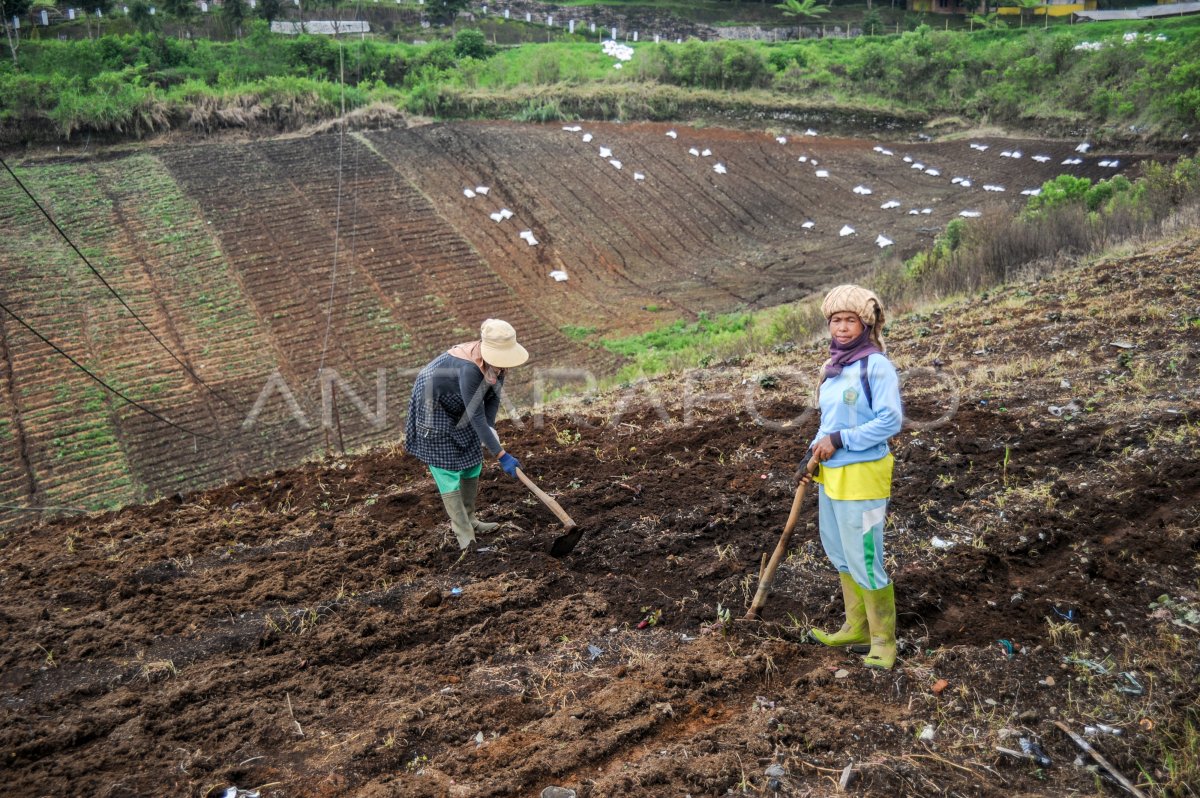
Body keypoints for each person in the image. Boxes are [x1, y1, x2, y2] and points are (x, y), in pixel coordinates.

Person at [802, 285, 903, 669]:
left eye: (850, 321)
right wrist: (810, 455)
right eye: (835, 321)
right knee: (840, 553)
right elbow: (828, 424)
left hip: (864, 474)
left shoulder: (875, 365)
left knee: (864, 555)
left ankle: (883, 641)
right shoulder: (833, 369)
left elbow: (890, 421)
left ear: (866, 324)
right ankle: (856, 628)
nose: (842, 328)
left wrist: (841, 440)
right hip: (833, 477)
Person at [405, 319, 528, 551]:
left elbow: (491, 401)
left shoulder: (498, 365)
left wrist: (490, 431)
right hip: (433, 405)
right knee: (447, 468)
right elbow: (476, 417)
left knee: (472, 460)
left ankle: (470, 518)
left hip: (460, 403)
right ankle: (464, 536)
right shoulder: (470, 368)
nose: (503, 368)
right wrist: (501, 455)